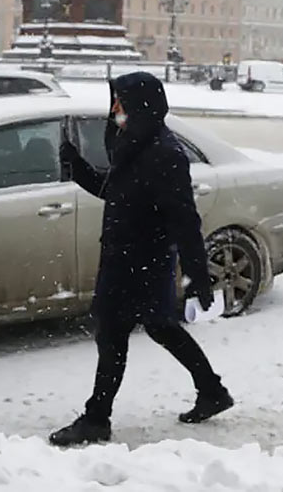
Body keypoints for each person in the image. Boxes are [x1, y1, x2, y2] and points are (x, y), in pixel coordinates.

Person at [50, 71, 233, 447]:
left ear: (141, 105)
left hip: (143, 260)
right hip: (125, 256)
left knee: (114, 334)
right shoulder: (132, 144)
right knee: (157, 327)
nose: (115, 109)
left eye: (121, 101)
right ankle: (212, 391)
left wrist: (200, 275)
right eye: (114, 101)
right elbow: (114, 191)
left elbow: (185, 218)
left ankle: (97, 418)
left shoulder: (165, 153)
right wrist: (77, 165)